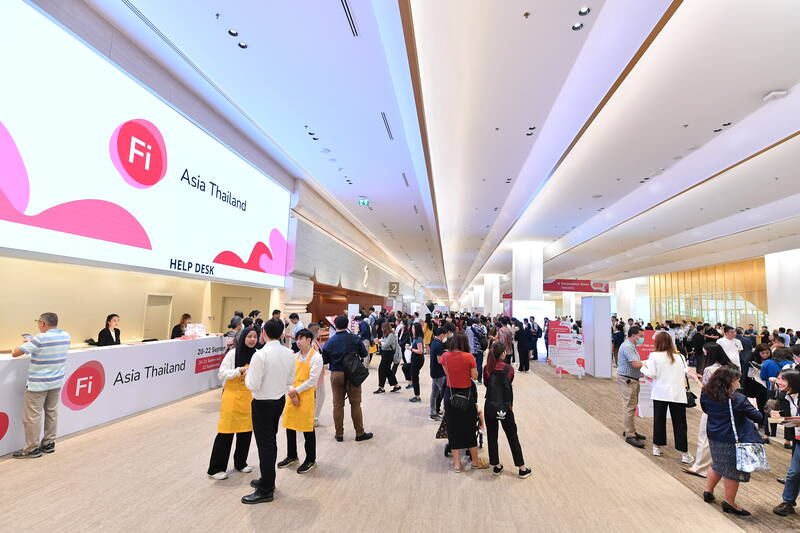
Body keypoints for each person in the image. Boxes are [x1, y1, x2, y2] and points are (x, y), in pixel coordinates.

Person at [241, 319, 296, 505]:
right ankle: (267, 480)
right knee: (270, 442)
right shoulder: (289, 353)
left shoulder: (260, 355)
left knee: (265, 445)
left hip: (262, 403)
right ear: (281, 334)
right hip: (279, 401)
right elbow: (290, 379)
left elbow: (253, 384)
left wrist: (247, 376)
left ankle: (266, 489)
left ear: (263, 333)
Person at [701, 366, 763, 516]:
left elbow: (706, 410)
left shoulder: (706, 393)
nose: (739, 383)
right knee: (733, 472)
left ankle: (708, 491)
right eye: (737, 380)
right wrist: (754, 406)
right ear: (729, 382)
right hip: (732, 439)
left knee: (717, 464)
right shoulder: (737, 399)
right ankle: (730, 503)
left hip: (714, 434)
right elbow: (758, 417)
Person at [11, 313, 71, 458]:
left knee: (32, 416)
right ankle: (49, 443)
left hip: (38, 384)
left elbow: (16, 353)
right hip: (56, 382)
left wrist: (25, 343)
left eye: (38, 322)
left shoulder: (40, 338)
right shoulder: (66, 336)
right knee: (52, 413)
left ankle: (32, 449)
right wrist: (32, 342)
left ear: (42, 323)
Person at [207, 327, 257, 479]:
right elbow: (221, 374)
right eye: (249, 336)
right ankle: (215, 469)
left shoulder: (257, 355)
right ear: (243, 338)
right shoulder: (233, 354)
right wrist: (238, 370)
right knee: (225, 433)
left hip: (248, 400)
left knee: (246, 432)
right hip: (232, 398)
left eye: (255, 337)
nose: (252, 339)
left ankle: (240, 463)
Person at [682, 343, 735, 478]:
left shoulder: (710, 369)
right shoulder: (730, 367)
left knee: (704, 436)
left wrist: (695, 379)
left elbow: (706, 389)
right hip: (726, 405)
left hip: (712, 406)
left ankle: (700, 468)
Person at [640, 331, 694, 463]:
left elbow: (651, 373)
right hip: (678, 394)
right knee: (680, 423)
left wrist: (643, 367)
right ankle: (684, 453)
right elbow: (686, 372)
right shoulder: (680, 356)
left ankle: (657, 447)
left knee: (659, 420)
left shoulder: (654, 356)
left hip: (660, 393)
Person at [483, 342, 532, 478]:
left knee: (492, 436)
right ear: (502, 354)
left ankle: (496, 466)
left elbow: (487, 384)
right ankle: (522, 468)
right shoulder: (509, 369)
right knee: (512, 436)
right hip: (505, 406)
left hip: (490, 406)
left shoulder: (487, 368)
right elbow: (509, 382)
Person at [321, 315, 373, 443]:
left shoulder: (330, 341)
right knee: (355, 404)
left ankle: (339, 434)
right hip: (352, 374)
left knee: (337, 405)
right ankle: (359, 433)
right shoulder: (354, 338)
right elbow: (364, 353)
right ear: (348, 324)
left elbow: (324, 360)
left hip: (336, 374)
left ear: (335, 325)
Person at [441, 333, 488, 472]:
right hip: (466, 396)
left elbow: (447, 373)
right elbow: (475, 376)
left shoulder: (445, 356)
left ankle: (457, 464)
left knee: (452, 428)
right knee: (469, 427)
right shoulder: (469, 357)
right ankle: (475, 462)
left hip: (450, 395)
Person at [278, 329, 323, 474]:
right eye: (297, 339)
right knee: (290, 425)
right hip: (293, 394)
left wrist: (295, 391)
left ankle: (311, 459)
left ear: (309, 340)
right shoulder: (294, 356)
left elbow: (312, 381)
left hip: (306, 396)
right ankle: (292, 456)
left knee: (307, 428)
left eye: (301, 338)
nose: (298, 341)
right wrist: (292, 393)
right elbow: (288, 376)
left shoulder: (316, 357)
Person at [769, 368, 800, 516]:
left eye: (782, 379)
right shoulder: (783, 396)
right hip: (797, 439)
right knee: (794, 472)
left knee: (794, 472)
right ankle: (788, 502)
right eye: (778, 378)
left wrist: (782, 419)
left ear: (793, 382)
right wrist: (777, 416)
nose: (778, 381)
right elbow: (789, 420)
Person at [617, 326, 645, 448]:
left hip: (632, 379)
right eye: (640, 336)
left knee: (632, 406)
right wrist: (648, 362)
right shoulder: (628, 346)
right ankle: (630, 434)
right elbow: (635, 364)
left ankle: (630, 429)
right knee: (629, 406)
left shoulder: (631, 346)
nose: (642, 339)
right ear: (633, 335)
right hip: (627, 380)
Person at [374, 322, 401, 394]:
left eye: (382, 327)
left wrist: (380, 342)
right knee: (387, 370)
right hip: (386, 354)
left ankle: (381, 388)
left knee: (382, 369)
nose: (381, 329)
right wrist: (380, 342)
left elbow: (385, 345)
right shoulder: (386, 335)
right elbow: (384, 344)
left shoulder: (391, 335)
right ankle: (396, 385)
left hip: (388, 354)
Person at [429, 327, 447, 420]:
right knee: (444, 394)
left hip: (434, 371)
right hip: (439, 373)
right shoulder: (439, 345)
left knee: (434, 394)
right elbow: (440, 361)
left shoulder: (434, 342)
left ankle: (433, 413)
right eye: (445, 335)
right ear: (442, 334)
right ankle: (445, 413)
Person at [409, 322, 425, 403]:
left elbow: (420, 351)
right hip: (415, 359)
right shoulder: (416, 337)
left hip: (417, 359)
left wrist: (410, 349)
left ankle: (417, 396)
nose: (412, 329)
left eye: (413, 328)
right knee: (408, 370)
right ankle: (416, 394)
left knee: (415, 377)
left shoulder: (418, 338)